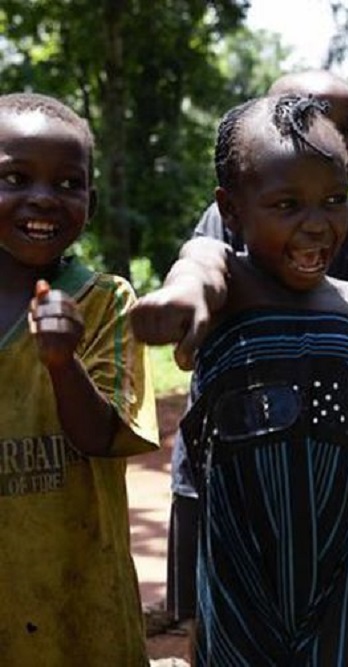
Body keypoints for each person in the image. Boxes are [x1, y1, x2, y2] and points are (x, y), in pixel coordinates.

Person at [130, 94, 348, 665]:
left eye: (334, 201)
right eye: (287, 205)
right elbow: (196, 272)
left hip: (346, 572)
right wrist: (177, 302)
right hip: (239, 578)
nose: (317, 225)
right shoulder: (227, 283)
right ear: (230, 210)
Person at [0, 92, 159, 663]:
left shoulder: (104, 302)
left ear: (89, 201)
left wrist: (62, 363)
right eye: (15, 177)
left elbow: (100, 437)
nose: (42, 198)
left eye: (68, 184)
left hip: (85, 602)